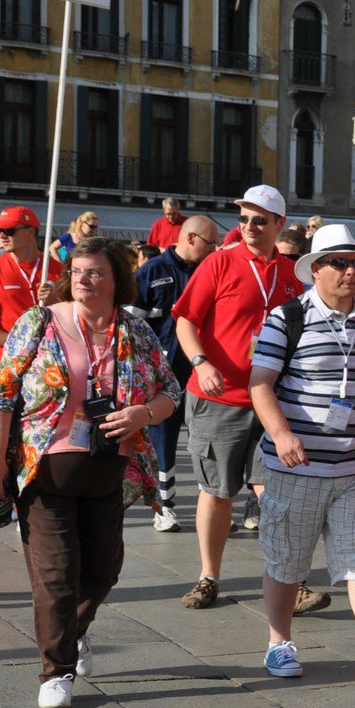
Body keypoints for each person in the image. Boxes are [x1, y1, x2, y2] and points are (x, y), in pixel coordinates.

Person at [0, 238, 179, 708]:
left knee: (104, 570)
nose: (85, 279)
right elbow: (0, 391)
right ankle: (55, 673)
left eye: (96, 272)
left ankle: (74, 631)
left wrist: (142, 415)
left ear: (117, 279)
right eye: (79, 271)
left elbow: (171, 390)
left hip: (109, 469)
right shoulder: (38, 322)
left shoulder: (135, 330)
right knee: (57, 573)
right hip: (45, 468)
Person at [248, 225, 355, 690]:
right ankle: (279, 640)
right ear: (315, 270)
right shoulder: (287, 318)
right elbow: (260, 383)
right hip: (296, 467)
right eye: (339, 263)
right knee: (287, 561)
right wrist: (280, 434)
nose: (350, 272)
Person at [171, 186, 308, 610]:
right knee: (218, 491)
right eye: (244, 219)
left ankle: (289, 579)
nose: (249, 227)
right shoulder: (219, 261)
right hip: (221, 397)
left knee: (277, 493)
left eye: (260, 220)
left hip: (275, 402)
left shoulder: (294, 274)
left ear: (279, 225)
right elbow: (185, 321)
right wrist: (200, 363)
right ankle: (208, 576)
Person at [131, 216, 220, 533]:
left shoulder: (210, 269)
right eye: (211, 243)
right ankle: (163, 506)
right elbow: (131, 325)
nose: (215, 249)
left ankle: (212, 508)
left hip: (202, 369)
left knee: (204, 438)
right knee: (163, 438)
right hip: (162, 372)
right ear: (193, 238)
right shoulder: (151, 271)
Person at [0, 206, 63, 370]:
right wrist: (19, 344)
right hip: (9, 368)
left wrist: (56, 303)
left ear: (30, 232)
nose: (2, 236)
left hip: (53, 365)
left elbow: (80, 316)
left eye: (9, 230)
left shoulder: (59, 269)